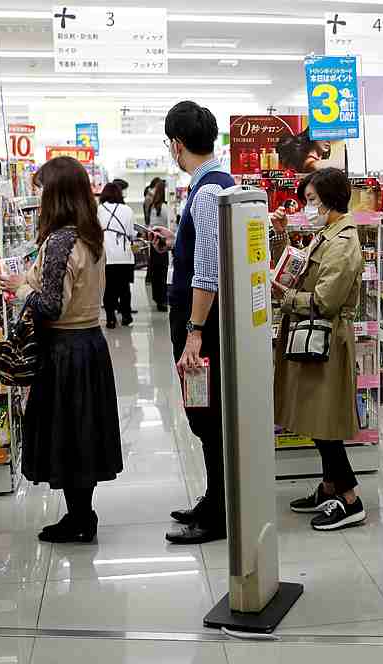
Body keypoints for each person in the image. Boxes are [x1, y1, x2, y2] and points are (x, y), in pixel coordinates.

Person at [0, 156, 122, 544]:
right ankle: (82, 515)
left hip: (65, 350)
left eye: (40, 188)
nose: (36, 195)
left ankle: (80, 519)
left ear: (55, 193)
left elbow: (51, 305)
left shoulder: (59, 241)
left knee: (68, 434)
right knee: (83, 433)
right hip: (90, 344)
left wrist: (20, 285)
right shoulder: (90, 233)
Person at [149, 101, 234, 545]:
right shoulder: (215, 185)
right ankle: (213, 498)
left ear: (178, 145)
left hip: (202, 325)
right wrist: (173, 240)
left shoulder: (204, 193)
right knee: (206, 413)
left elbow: (209, 270)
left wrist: (194, 333)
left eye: (170, 144)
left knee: (206, 413)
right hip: (205, 321)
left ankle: (219, 513)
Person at [270, 168, 367, 531]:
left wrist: (286, 297)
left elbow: (326, 300)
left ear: (329, 199)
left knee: (323, 422)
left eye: (311, 200)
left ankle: (350, 498)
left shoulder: (342, 242)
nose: (307, 207)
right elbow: (299, 270)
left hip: (326, 338)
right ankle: (329, 487)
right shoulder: (327, 234)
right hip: (313, 336)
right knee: (315, 416)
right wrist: (281, 238)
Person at [99, 182, 136, 329]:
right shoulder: (127, 210)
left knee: (108, 288)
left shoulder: (99, 210)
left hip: (106, 255)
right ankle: (126, 316)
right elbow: (132, 234)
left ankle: (110, 319)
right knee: (124, 287)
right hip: (125, 255)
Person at [145, 179, 171, 312]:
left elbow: (150, 224)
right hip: (164, 242)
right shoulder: (166, 207)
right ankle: (162, 300)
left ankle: (158, 298)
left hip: (154, 241)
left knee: (156, 271)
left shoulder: (153, 206)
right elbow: (169, 225)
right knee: (163, 272)